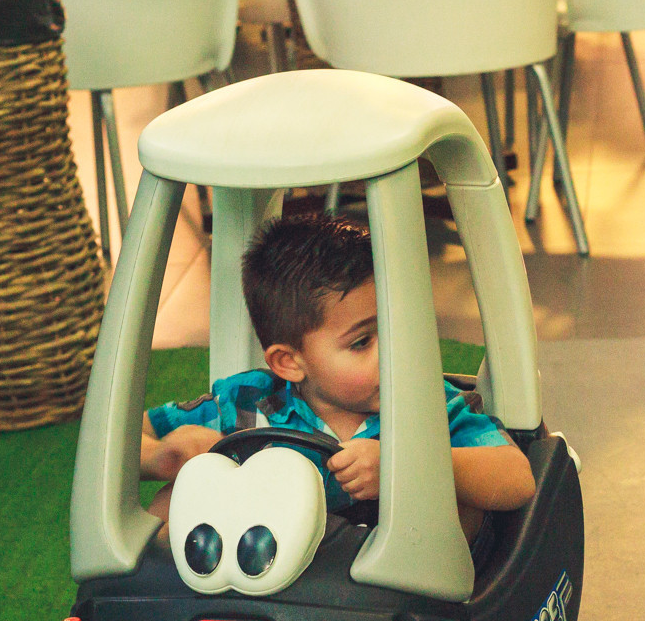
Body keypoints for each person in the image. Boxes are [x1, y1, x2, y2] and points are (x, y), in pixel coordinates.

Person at [140, 213, 535, 555]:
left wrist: (406, 469)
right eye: (362, 342)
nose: (394, 353)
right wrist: (161, 457)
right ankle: (150, 617)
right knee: (173, 499)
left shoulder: (430, 404)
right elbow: (120, 437)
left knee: (456, 506)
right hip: (267, 593)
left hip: (393, 599)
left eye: (396, 327)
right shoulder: (244, 403)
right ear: (290, 362)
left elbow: (516, 478)